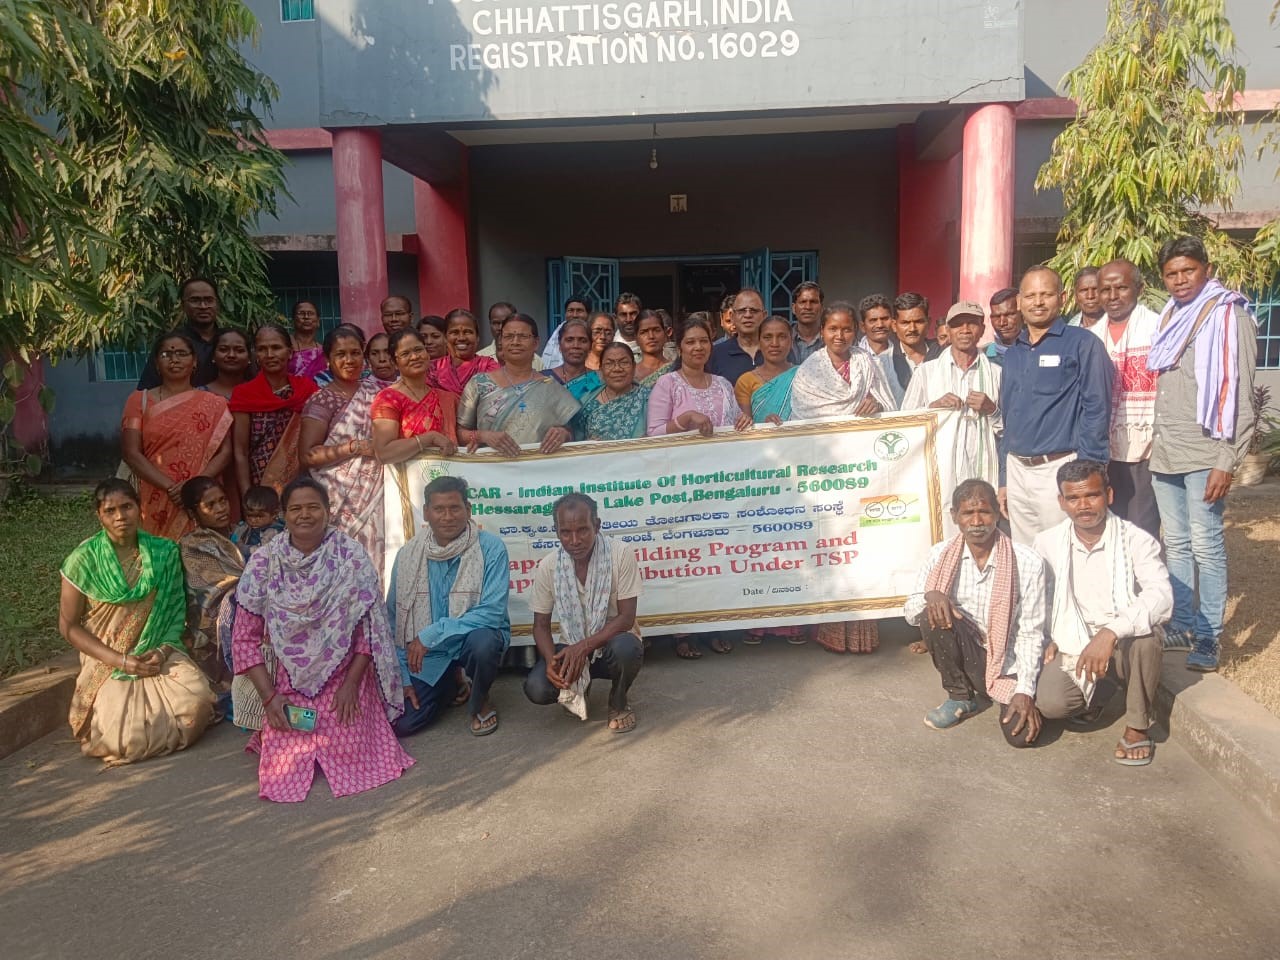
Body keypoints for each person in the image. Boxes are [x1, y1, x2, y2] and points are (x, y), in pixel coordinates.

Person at [233, 478, 412, 802]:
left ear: (328, 512)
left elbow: (367, 632)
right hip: (287, 682)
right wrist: (270, 698)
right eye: (296, 509)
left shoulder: (350, 556)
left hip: (344, 674)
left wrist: (351, 685)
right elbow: (244, 639)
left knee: (347, 741)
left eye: (313, 507)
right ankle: (274, 728)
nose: (305, 515)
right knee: (289, 750)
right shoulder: (264, 562)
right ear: (283, 515)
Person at [1147, 235, 1258, 671]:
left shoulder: (1229, 315)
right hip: (1167, 451)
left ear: (1206, 269)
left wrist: (1226, 460)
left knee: (1207, 546)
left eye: (1188, 271)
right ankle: (1185, 621)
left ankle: (1209, 637)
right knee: (1176, 543)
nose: (1180, 280)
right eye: (1172, 274)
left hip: (1206, 453)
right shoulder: (1170, 315)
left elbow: (1243, 396)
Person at [58, 479, 215, 764]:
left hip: (157, 650)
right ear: (99, 516)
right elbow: (68, 626)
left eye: (127, 507)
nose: (120, 517)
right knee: (125, 738)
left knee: (198, 703)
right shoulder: (82, 560)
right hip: (108, 658)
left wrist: (163, 651)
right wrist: (121, 660)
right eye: (111, 510)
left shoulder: (163, 553)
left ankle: (160, 728)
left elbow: (176, 611)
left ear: (140, 510)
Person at [1032, 460, 1172, 766]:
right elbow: (1037, 598)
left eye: (1092, 496)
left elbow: (1161, 597)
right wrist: (1048, 636)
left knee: (1146, 638)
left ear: (1108, 495)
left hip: (1121, 643)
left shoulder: (1136, 539)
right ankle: (1103, 689)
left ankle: (1137, 726)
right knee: (1051, 705)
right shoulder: (1047, 543)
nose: (1083, 506)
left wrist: (1110, 633)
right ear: (1062, 502)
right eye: (1073, 498)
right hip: (1075, 641)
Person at [904, 479, 1049, 746]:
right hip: (969, 652)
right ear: (955, 517)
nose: (977, 521)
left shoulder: (1027, 562)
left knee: (1020, 738)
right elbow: (911, 612)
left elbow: (1032, 631)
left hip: (1008, 661)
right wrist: (932, 596)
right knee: (930, 613)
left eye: (984, 511)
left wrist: (1025, 691)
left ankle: (1004, 691)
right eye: (967, 513)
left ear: (997, 512)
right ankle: (961, 697)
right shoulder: (940, 555)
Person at [791, 300, 895, 655]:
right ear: (821, 332)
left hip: (863, 472)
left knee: (862, 545)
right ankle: (831, 630)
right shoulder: (809, 370)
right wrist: (848, 414)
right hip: (825, 473)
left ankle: (865, 634)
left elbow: (890, 405)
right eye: (832, 328)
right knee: (832, 547)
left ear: (857, 331)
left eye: (847, 328)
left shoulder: (868, 364)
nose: (840, 335)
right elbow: (803, 417)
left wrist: (876, 407)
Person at [387, 476, 511, 736]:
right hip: (430, 656)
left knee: (484, 642)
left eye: (454, 508)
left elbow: (492, 613)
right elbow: (393, 620)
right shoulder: (408, 555)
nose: (447, 517)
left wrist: (432, 633)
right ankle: (452, 683)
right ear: (427, 512)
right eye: (439, 509)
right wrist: (404, 679)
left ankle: (480, 700)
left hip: (471, 639)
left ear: (468, 510)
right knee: (403, 723)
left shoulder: (491, 548)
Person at [998, 265, 1112, 544]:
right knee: (1025, 554)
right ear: (1019, 303)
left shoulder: (1083, 344)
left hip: (1060, 469)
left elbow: (1097, 409)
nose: (1037, 302)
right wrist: (1003, 477)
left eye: (1046, 294)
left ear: (1062, 298)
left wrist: (1087, 475)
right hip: (1017, 470)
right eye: (1030, 295)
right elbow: (1007, 419)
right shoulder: (1013, 353)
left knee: (1064, 550)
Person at [524, 493, 644, 732]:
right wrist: (550, 662)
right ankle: (578, 684)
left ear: (597, 526)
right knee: (537, 688)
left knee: (627, 649)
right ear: (557, 531)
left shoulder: (620, 554)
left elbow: (626, 617)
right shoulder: (549, 565)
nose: (575, 540)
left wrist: (583, 648)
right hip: (571, 644)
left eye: (583, 530)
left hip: (612, 643)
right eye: (566, 533)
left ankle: (618, 701)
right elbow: (540, 625)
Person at [120, 331, 233, 541]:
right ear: (156, 363)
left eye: (182, 353)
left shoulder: (215, 403)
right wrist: (172, 488)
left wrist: (195, 485)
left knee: (205, 557)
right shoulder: (139, 400)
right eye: (166, 354)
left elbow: (226, 451)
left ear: (194, 361)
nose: (174, 359)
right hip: (157, 491)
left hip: (203, 493)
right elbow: (131, 452)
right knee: (161, 555)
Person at [301, 325, 391, 581]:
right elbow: (307, 456)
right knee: (338, 568)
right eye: (341, 354)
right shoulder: (322, 400)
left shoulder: (380, 393)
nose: (349, 360)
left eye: (355, 353)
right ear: (328, 359)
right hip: (338, 497)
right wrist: (356, 447)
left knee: (377, 562)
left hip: (378, 493)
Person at [1094, 258, 1162, 538]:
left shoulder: (1159, 330)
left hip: (1146, 448)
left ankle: (1143, 583)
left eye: (1121, 288)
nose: (1112, 297)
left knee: (1141, 527)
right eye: (1105, 290)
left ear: (1139, 288)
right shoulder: (1090, 337)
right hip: (1103, 449)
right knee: (1108, 526)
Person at [902, 301, 1002, 488]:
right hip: (937, 472)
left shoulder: (996, 373)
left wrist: (992, 410)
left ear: (982, 329)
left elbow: (1009, 430)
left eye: (971, 323)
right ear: (947, 330)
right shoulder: (926, 372)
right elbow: (905, 425)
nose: (965, 330)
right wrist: (933, 409)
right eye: (957, 324)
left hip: (982, 472)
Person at [457, 313, 579, 455]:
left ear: (536, 343)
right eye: (509, 336)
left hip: (538, 470)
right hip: (490, 470)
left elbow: (572, 434)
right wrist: (483, 436)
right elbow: (459, 433)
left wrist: (564, 434)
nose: (515, 342)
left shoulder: (552, 388)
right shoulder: (479, 384)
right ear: (501, 341)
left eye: (523, 336)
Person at [230, 323, 319, 499]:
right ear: (256, 354)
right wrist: (248, 495)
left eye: (276, 348)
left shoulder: (307, 389)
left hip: (302, 480)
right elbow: (240, 451)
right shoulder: (244, 394)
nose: (269, 355)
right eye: (262, 349)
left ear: (290, 352)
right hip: (260, 483)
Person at [178, 476, 242, 714]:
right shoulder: (192, 546)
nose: (221, 508)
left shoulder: (245, 532)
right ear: (193, 512)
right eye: (210, 505)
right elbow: (206, 591)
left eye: (223, 500)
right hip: (216, 618)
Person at [371, 328, 460, 467]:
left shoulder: (445, 397)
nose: (414, 357)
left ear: (427, 354)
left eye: (418, 350)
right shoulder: (388, 398)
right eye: (405, 353)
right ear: (395, 363)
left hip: (447, 477)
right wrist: (429, 438)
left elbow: (459, 434)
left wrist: (482, 436)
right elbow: (383, 453)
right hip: (408, 482)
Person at [136, 277, 222, 389]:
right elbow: (148, 389)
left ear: (217, 304)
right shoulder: (169, 343)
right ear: (183, 306)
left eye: (209, 300)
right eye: (195, 300)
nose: (203, 306)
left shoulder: (230, 342)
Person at [579, 343, 652, 440]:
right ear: (601, 369)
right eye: (609, 364)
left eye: (624, 363)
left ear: (634, 366)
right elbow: (575, 438)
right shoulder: (587, 403)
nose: (617, 369)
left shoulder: (649, 397)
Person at [736, 314, 798, 425]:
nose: (775, 344)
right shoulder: (746, 381)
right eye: (767, 337)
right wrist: (763, 425)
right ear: (759, 343)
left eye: (782, 337)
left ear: (791, 341)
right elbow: (744, 428)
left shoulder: (802, 376)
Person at [432, 308, 501, 396]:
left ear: (477, 337)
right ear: (445, 338)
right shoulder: (433, 370)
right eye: (455, 332)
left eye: (467, 332)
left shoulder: (488, 367)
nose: (461, 338)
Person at [708, 288, 767, 385]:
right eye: (742, 311)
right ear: (732, 316)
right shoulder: (715, 354)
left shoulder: (777, 351)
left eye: (754, 310)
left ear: (764, 315)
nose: (748, 315)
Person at [891, 292, 943, 394]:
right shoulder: (886, 361)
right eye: (905, 323)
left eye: (918, 322)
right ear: (894, 325)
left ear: (928, 323)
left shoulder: (943, 354)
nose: (912, 329)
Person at [857, 293, 902, 408]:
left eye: (884, 319)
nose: (880, 324)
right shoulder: (853, 357)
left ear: (893, 322)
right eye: (873, 320)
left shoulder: (903, 354)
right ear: (862, 326)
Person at [545, 318, 603, 404]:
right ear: (560, 346)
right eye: (569, 340)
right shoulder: (544, 379)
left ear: (590, 346)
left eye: (583, 340)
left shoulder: (600, 380)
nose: (576, 346)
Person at [201, 328, 254, 400]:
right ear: (213, 356)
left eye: (239, 350)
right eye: (223, 349)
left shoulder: (262, 393)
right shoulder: (198, 396)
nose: (231, 355)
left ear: (249, 357)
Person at [540, 295, 592, 368]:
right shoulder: (558, 333)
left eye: (579, 310)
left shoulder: (595, 333)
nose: (574, 315)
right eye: (570, 310)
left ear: (588, 314)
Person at [231, 485, 284, 556]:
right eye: (249, 515)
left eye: (259, 516)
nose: (253, 520)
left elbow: (263, 552)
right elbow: (235, 537)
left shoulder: (274, 532)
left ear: (274, 514)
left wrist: (244, 548)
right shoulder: (247, 526)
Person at [287, 300, 327, 380]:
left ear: (318, 321)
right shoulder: (285, 345)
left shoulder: (323, 351)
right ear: (293, 321)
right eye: (301, 313)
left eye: (311, 313)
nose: (306, 317)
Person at [633, 309, 672, 386]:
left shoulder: (675, 370)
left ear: (665, 334)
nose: (651, 336)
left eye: (656, 330)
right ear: (636, 338)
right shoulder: (629, 375)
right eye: (644, 332)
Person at [984, 288, 1022, 366]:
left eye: (1009, 315)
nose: (1002, 323)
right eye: (997, 316)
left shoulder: (1037, 352)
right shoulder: (982, 357)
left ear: (1022, 315)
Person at [790, 280, 824, 364]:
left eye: (813, 302)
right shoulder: (785, 338)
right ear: (794, 308)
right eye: (803, 302)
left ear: (822, 308)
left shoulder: (832, 339)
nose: (808, 307)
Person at [614, 292, 643, 359]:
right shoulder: (609, 345)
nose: (629, 320)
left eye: (633, 314)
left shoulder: (652, 343)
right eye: (623, 314)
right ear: (615, 318)